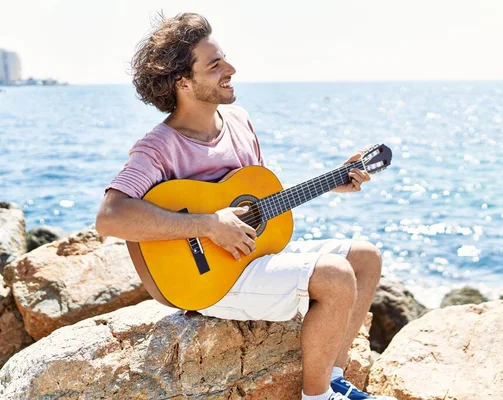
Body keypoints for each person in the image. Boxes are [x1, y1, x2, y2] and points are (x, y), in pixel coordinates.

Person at [96, 12, 394, 400]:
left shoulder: (238, 120)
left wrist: (333, 181)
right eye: (215, 64)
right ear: (183, 82)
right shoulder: (158, 146)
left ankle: (334, 378)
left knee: (365, 257)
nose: (231, 69)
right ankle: (317, 397)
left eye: (225, 59)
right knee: (335, 275)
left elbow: (257, 198)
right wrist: (208, 225)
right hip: (209, 281)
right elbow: (110, 217)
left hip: (249, 259)